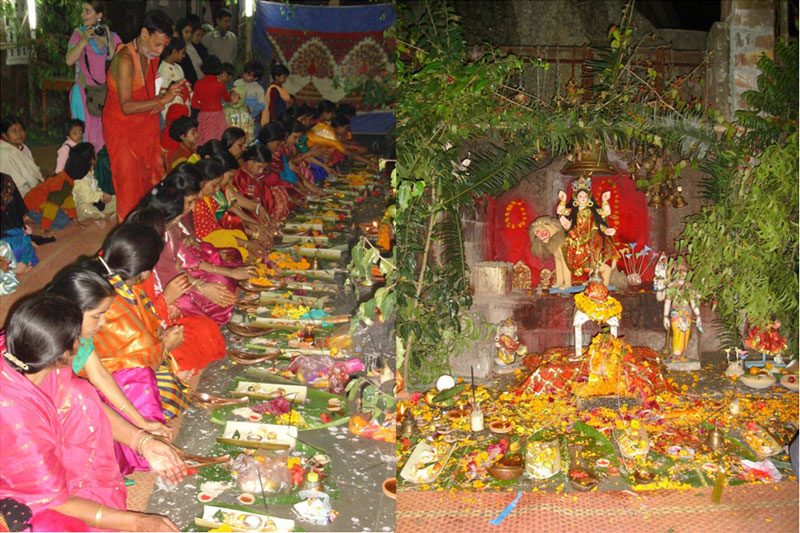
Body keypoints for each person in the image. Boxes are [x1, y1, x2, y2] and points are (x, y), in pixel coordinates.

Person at [0, 294, 184, 532]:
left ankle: (85, 488)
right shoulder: (17, 421)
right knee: (53, 525)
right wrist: (136, 522)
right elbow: (50, 500)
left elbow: (86, 405)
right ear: (62, 354)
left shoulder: (26, 352)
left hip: (35, 456)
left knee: (79, 392)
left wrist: (143, 441)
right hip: (19, 485)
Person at [84, 224, 187, 472]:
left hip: (113, 369)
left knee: (166, 374)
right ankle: (137, 448)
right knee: (143, 379)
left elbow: (147, 329)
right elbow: (140, 353)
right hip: (115, 375)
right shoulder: (106, 296)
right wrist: (166, 345)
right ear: (144, 270)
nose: (104, 321)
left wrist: (162, 339)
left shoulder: (119, 281)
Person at [47, 266, 170, 438]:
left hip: (72, 398)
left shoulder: (80, 338)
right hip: (45, 412)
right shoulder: (49, 347)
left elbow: (100, 375)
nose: (103, 322)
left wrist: (140, 421)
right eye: (97, 316)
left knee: (140, 377)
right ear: (71, 312)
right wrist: (137, 437)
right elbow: (71, 398)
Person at [103, 10, 184, 221]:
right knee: (129, 186)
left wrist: (162, 97)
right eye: (157, 45)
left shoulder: (151, 56)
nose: (160, 51)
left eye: (164, 46)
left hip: (145, 126)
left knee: (150, 182)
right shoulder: (126, 59)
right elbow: (127, 106)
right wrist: (162, 100)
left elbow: (147, 93)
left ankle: (147, 226)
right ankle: (129, 236)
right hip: (123, 130)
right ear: (144, 34)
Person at [65, 1, 123, 152]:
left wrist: (109, 41)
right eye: (82, 10)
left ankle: (99, 172)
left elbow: (120, 65)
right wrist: (84, 40)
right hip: (83, 93)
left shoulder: (112, 36)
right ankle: (82, 172)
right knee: (82, 137)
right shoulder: (78, 34)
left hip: (105, 96)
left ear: (99, 15)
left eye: (87, 11)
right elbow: (69, 60)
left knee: (104, 136)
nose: (82, 15)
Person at [556, 176, 620, 287]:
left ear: (589, 197)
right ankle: (568, 280)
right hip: (576, 237)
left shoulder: (592, 210)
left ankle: (595, 278)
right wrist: (562, 200)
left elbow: (606, 213)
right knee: (567, 245)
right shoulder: (573, 210)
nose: (583, 198)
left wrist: (605, 200)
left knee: (594, 254)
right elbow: (560, 211)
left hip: (591, 238)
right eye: (580, 196)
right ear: (576, 197)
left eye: (585, 196)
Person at [24, 144, 97, 232]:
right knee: (62, 222)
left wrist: (75, 219)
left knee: (64, 216)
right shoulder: (63, 184)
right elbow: (52, 204)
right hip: (32, 206)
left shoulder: (66, 178)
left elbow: (68, 199)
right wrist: (45, 227)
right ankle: (30, 217)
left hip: (39, 202)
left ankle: (34, 217)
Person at [662, 257, 702, 360]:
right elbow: (667, 302)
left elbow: (693, 302)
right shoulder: (672, 286)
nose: (682, 273)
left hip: (687, 314)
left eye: (684, 271)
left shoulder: (689, 286)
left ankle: (682, 355)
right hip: (676, 313)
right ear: (675, 272)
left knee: (686, 335)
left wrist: (698, 315)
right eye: (679, 271)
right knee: (678, 333)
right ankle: (676, 355)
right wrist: (665, 316)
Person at [192, 57, 239, 145]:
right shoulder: (219, 84)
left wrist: (204, 106)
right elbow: (227, 98)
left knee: (202, 140)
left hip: (203, 115)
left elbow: (194, 104)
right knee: (216, 140)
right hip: (216, 115)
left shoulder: (198, 83)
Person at [67, 142, 116, 221]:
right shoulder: (79, 179)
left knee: (115, 199)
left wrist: (103, 195)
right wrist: (101, 196)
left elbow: (96, 187)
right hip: (84, 205)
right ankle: (103, 216)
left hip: (97, 203)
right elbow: (87, 198)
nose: (97, 154)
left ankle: (102, 215)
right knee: (86, 209)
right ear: (91, 159)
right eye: (94, 153)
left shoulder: (90, 172)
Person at [1, 173, 41, 271]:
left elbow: (18, 208)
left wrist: (23, 230)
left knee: (23, 246)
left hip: (12, 231)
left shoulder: (5, 180)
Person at [0, 117, 43, 198]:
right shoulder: (4, 153)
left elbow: (34, 173)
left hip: (35, 189)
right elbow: (17, 184)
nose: (19, 134)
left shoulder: (24, 148)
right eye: (14, 131)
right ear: (5, 136)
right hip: (19, 197)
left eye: (21, 130)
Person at [157, 37, 191, 120]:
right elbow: (162, 92)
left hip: (182, 104)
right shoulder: (163, 69)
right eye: (182, 53)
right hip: (171, 107)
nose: (184, 56)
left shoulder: (178, 67)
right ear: (174, 52)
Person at [178, 15, 204, 85]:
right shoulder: (178, 50)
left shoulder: (190, 46)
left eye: (190, 32)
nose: (189, 35)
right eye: (186, 32)